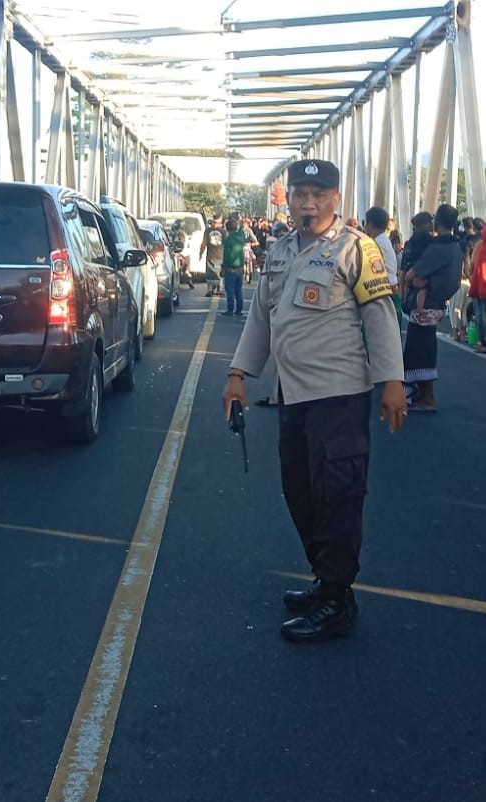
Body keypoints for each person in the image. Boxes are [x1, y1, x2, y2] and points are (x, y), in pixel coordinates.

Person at [222, 158, 406, 643]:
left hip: (339, 394)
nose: (308, 202)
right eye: (300, 193)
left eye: (318, 194)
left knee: (337, 494)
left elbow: (381, 315)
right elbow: (261, 318)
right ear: (290, 198)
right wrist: (239, 374)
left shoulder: (357, 249)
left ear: (335, 199)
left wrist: (391, 381)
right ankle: (328, 581)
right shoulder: (280, 251)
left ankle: (336, 598)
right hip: (292, 395)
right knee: (299, 489)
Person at [401, 203, 464, 412]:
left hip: (424, 305)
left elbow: (411, 274)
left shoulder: (438, 248)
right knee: (426, 346)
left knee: (418, 349)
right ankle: (422, 393)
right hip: (438, 303)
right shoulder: (456, 247)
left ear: (437, 222)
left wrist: (420, 282)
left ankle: (426, 396)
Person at [362, 206, 401, 324]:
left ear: (370, 224)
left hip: (384, 295)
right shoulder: (384, 241)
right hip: (392, 291)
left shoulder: (375, 244)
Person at [203, 216, 225, 297]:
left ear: (221, 223)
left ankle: (219, 289)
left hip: (220, 256)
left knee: (219, 273)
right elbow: (204, 243)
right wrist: (201, 253)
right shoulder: (208, 231)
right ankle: (209, 290)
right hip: (210, 256)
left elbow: (226, 244)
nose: (215, 225)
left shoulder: (223, 232)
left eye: (217, 223)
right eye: (214, 222)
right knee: (209, 273)